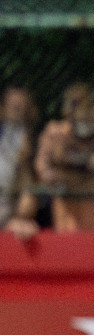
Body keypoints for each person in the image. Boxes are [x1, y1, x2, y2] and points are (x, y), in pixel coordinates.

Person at [32, 82, 94, 231]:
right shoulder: (56, 132)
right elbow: (43, 170)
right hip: (68, 218)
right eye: (71, 103)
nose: (75, 109)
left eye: (80, 102)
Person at [0, 86, 40, 239]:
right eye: (12, 104)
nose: (16, 107)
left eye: (20, 104)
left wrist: (20, 217)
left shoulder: (31, 139)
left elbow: (29, 180)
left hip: (10, 206)